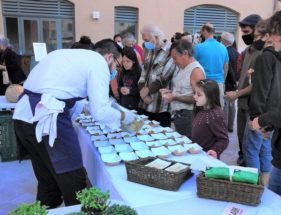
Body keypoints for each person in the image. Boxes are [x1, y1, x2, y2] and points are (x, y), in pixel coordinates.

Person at [12, 39, 136, 208]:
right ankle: (77, 209)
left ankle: (47, 208)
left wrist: (86, 107)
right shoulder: (98, 63)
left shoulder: (69, 55)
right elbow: (100, 111)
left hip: (23, 116)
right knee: (74, 181)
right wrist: (124, 116)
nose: (115, 70)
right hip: (47, 118)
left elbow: (63, 91)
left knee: (48, 183)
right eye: (117, 65)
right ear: (109, 57)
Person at [252, 6, 281, 206]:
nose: (270, 38)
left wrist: (265, 118)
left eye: (274, 33)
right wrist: (272, 124)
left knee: (277, 208)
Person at [244, 19, 281, 185]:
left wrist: (255, 117)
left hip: (262, 114)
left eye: (257, 36)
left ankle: (253, 188)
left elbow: (261, 90)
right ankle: (264, 188)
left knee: (251, 151)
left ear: (268, 36)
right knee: (265, 152)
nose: (255, 40)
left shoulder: (266, 57)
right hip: (275, 114)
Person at [225, 14, 262, 166]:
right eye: (243, 32)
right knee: (241, 139)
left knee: (252, 148)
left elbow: (258, 84)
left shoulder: (263, 54)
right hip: (242, 103)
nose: (244, 35)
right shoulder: (248, 51)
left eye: (247, 32)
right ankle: (242, 163)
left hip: (254, 107)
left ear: (257, 30)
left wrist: (237, 93)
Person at [160, 40, 205, 136]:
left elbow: (199, 98)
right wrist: (170, 92)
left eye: (175, 58)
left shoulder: (196, 70)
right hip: (180, 114)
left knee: (187, 144)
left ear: (185, 53)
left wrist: (174, 97)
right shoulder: (183, 67)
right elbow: (185, 90)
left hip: (188, 115)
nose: (174, 62)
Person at [138, 24, 179, 127]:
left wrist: (146, 91)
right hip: (145, 104)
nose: (145, 43)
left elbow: (164, 77)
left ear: (156, 37)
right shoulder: (149, 50)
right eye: (144, 40)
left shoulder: (171, 51)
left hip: (161, 106)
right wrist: (143, 92)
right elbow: (144, 71)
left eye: (147, 40)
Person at [190, 79, 229, 159]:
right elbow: (198, 133)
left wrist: (215, 150)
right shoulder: (200, 109)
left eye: (199, 95)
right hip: (196, 155)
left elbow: (223, 139)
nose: (194, 96)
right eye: (195, 93)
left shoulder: (215, 115)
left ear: (210, 96)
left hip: (207, 158)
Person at [194, 23, 229, 107]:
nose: (201, 34)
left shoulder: (199, 47)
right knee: (218, 112)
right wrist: (222, 80)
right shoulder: (223, 47)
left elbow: (193, 67)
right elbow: (226, 66)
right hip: (219, 84)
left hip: (204, 84)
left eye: (201, 31)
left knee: (203, 112)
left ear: (205, 31)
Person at [220, 32, 239, 133]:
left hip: (227, 81)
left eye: (221, 39)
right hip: (235, 82)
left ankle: (225, 126)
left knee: (226, 105)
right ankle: (231, 126)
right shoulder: (236, 52)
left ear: (224, 41)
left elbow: (227, 69)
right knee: (232, 105)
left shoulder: (224, 52)